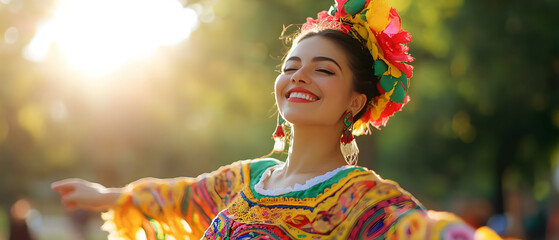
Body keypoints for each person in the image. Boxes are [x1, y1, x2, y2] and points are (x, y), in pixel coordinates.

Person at [52, 0, 504, 239]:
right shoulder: (248, 179)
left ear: (355, 102)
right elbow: (182, 197)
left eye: (324, 69)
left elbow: (427, 233)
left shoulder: (365, 199)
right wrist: (105, 196)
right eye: (290, 66)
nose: (299, 76)